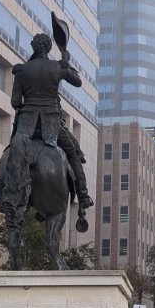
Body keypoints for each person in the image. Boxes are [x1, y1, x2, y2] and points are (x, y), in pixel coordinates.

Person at [9, 32, 94, 209]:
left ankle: (4, 194)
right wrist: (66, 61)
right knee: (72, 153)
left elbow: (15, 102)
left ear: (33, 46)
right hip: (51, 124)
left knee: (11, 153)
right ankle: (83, 195)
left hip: (26, 125)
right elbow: (77, 82)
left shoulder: (21, 70)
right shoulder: (57, 67)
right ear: (48, 48)